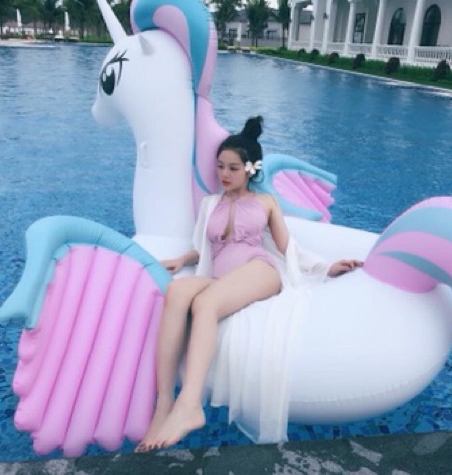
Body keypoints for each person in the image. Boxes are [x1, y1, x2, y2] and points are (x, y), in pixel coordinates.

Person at [135, 116, 363, 451]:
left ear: (250, 170)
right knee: (178, 291)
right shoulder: (210, 204)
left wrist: (326, 267)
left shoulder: (266, 203)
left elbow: (287, 246)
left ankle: (190, 404)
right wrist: (182, 260)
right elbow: (203, 247)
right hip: (220, 276)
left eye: (232, 168)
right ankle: (164, 403)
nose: (224, 174)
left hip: (259, 270)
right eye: (220, 167)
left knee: (205, 303)